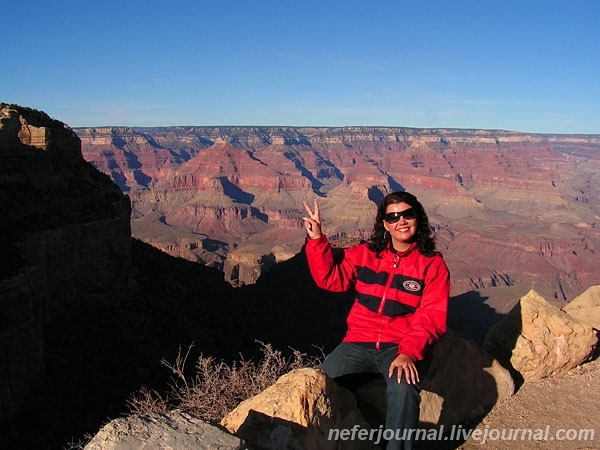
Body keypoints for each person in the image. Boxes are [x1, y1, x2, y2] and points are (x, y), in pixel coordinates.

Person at [302, 191, 450, 450]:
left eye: (408, 214)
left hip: (399, 346)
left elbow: (431, 316)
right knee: (320, 384)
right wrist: (317, 239)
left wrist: (409, 353)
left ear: (418, 218)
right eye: (393, 217)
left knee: (403, 389)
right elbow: (331, 279)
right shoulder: (365, 254)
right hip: (358, 343)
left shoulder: (432, 264)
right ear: (385, 224)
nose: (401, 221)